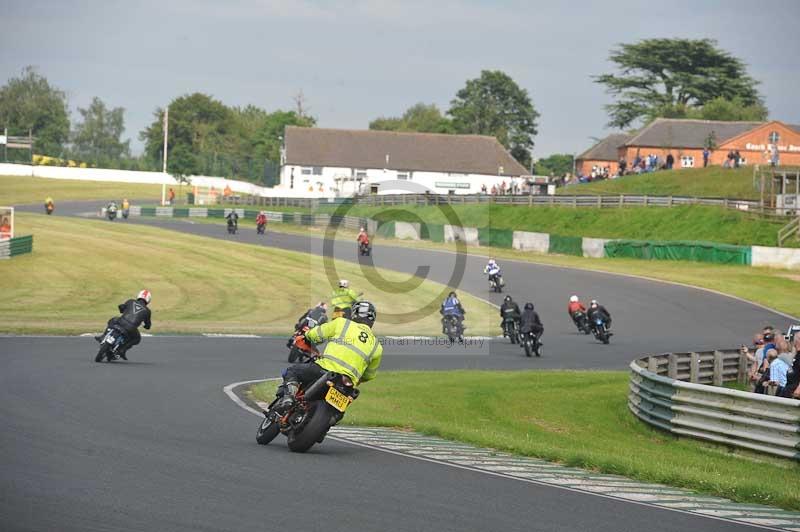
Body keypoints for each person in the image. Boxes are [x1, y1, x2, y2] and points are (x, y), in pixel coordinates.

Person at [275, 300, 382, 413]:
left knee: (293, 371)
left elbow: (316, 334)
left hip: (325, 369)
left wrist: (306, 335)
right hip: (347, 383)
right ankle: (331, 417)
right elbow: (369, 375)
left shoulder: (342, 323)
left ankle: (289, 398)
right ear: (372, 320)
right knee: (340, 410)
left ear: (354, 313)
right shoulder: (377, 346)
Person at [95, 290, 152, 360]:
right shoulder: (147, 311)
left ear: (139, 295)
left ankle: (103, 336)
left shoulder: (131, 301)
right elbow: (148, 325)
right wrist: (146, 326)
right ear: (148, 299)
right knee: (137, 339)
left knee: (112, 320)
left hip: (120, 321)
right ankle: (122, 350)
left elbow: (121, 307)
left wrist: (122, 310)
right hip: (131, 328)